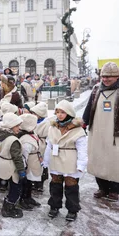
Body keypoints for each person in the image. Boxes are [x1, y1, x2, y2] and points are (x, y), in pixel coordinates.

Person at [43, 100, 87, 221]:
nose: (60, 115)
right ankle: (54, 206)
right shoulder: (53, 127)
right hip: (56, 159)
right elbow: (49, 145)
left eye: (63, 112)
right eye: (57, 112)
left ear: (69, 113)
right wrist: (46, 161)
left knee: (71, 187)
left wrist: (81, 164)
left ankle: (72, 209)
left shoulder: (77, 130)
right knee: (55, 185)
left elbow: (82, 149)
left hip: (70, 161)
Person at [83, 61, 119, 201]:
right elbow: (88, 108)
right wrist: (84, 123)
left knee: (114, 160)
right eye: (103, 76)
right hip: (97, 130)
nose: (106, 79)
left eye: (109, 76)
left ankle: (115, 189)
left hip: (115, 133)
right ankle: (102, 187)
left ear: (117, 76)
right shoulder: (96, 89)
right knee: (98, 159)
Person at [0, 113, 25, 218]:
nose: (19, 128)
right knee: (15, 187)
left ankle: (7, 206)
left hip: (3, 163)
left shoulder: (4, 135)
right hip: (11, 166)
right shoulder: (13, 140)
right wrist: (21, 170)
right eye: (17, 126)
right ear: (10, 126)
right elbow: (17, 157)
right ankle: (9, 208)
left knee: (11, 187)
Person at [18, 113, 42, 210]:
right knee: (25, 182)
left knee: (29, 182)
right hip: (29, 164)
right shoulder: (26, 140)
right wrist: (23, 168)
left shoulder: (31, 134)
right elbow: (24, 155)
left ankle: (28, 197)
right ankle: (23, 199)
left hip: (34, 162)